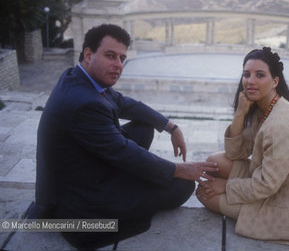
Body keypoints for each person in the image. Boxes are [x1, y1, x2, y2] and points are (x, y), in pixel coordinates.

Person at [34, 24, 218, 249]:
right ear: (88, 54)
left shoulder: (78, 77)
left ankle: (133, 184)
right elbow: (124, 152)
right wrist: (180, 169)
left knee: (143, 127)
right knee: (182, 186)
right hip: (79, 200)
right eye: (110, 56)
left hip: (85, 166)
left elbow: (122, 102)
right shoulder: (84, 104)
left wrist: (171, 126)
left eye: (122, 58)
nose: (118, 65)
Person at [196, 47, 289, 246]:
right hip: (269, 182)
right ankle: (229, 192)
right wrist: (240, 112)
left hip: (288, 207)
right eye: (246, 74)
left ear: (275, 81)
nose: (250, 81)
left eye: (260, 75)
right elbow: (235, 153)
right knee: (214, 162)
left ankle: (243, 206)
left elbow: (267, 185)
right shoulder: (265, 108)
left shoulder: (282, 124)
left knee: (204, 195)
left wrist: (226, 187)